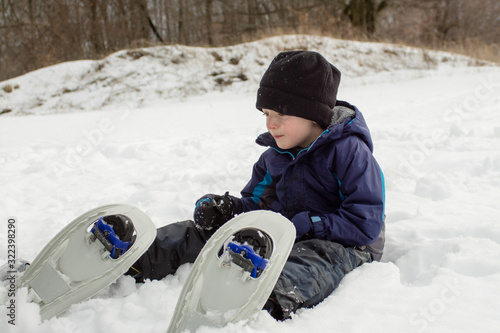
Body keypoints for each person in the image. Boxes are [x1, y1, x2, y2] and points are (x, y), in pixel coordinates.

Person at [127, 50, 386, 319]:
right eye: (266, 113)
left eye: (280, 115)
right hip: (288, 233)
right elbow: (257, 206)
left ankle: (268, 297)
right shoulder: (274, 157)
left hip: (349, 244)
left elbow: (365, 222)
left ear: (312, 115)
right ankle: (141, 255)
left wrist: (312, 225)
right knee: (215, 232)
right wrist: (227, 210)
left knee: (314, 258)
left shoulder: (350, 153)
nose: (270, 124)